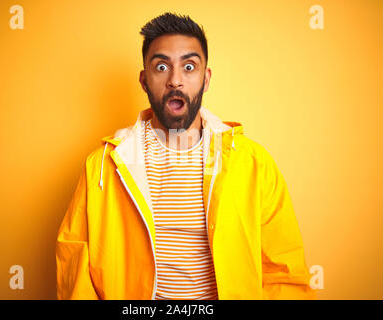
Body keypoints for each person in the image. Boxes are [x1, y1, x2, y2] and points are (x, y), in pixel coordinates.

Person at [56, 12, 316, 300]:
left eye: (189, 66)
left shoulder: (253, 163)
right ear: (144, 80)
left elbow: (284, 273)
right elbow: (75, 266)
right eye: (162, 66)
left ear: (205, 80)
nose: (175, 80)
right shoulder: (102, 167)